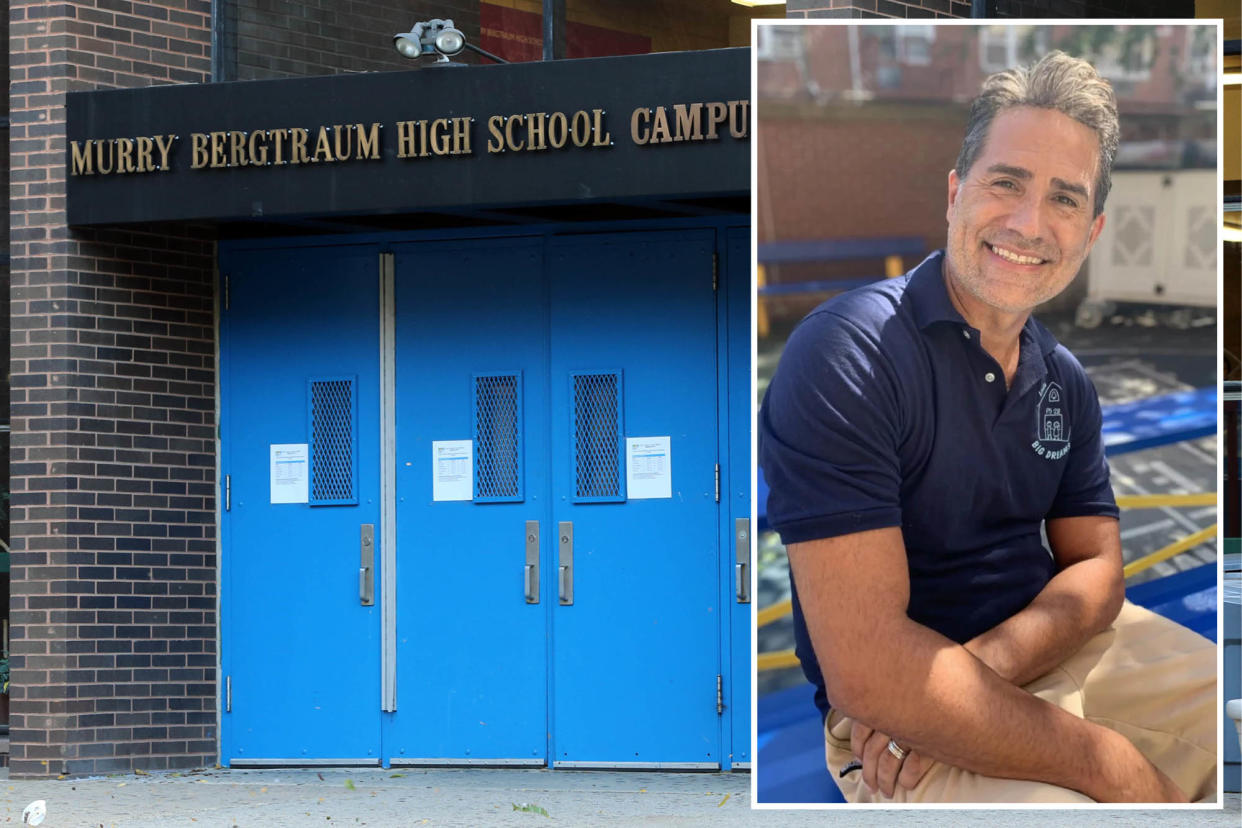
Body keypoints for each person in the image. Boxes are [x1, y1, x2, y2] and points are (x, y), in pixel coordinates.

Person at [758, 51, 1216, 804]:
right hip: (898, 718)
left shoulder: (1063, 378)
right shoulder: (849, 352)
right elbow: (870, 669)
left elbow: (1098, 571)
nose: (1030, 223)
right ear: (954, 192)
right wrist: (1109, 764)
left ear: (1092, 231)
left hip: (1048, 650)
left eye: (1065, 199)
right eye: (1007, 182)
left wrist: (993, 662)